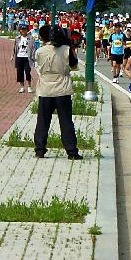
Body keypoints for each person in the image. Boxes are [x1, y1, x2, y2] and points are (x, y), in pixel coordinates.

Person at [32, 26, 82, 160]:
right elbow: (74, 65)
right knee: (66, 122)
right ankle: (71, 151)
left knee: (42, 121)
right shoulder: (66, 50)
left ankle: (39, 150)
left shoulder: (39, 51)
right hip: (62, 89)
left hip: (45, 89)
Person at [13, 25, 36, 93]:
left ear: (27, 30)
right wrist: (13, 55)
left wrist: (33, 56)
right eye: (22, 30)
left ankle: (29, 86)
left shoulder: (31, 38)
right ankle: (22, 87)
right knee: (19, 72)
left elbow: (34, 48)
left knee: (27, 72)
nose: (23, 31)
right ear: (20, 30)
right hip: (19, 57)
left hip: (27, 57)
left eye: (25, 29)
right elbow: (15, 48)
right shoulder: (17, 38)